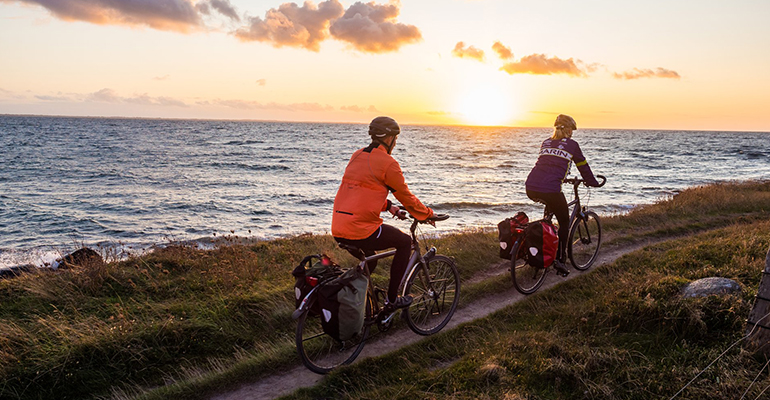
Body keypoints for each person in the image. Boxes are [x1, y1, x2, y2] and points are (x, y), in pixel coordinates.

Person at [332, 116, 434, 312]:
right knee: (404, 243)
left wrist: (389, 207)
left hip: (339, 227)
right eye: (395, 138)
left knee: (370, 260)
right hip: (360, 230)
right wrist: (426, 214)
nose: (396, 143)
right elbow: (406, 197)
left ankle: (353, 301)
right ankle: (392, 299)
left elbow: (361, 192)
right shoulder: (388, 163)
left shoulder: (357, 155)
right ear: (389, 139)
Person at [525, 114, 600, 276]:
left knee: (549, 216)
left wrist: (562, 177)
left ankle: (541, 246)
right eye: (571, 129)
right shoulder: (572, 145)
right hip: (551, 189)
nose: (572, 133)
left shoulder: (546, 142)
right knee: (564, 222)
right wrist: (593, 182)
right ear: (566, 129)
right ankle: (560, 259)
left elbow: (550, 164)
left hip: (531, 187)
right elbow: (583, 166)